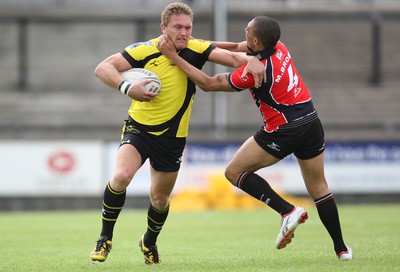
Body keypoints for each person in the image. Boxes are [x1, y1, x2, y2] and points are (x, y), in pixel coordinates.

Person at [157, 15, 352, 260]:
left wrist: (173, 56)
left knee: (234, 172)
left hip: (283, 129)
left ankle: (287, 211)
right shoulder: (279, 47)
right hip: (311, 121)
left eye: (247, 30)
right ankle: (341, 249)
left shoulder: (253, 72)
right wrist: (198, 44)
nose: (244, 31)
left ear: (256, 40)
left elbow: (207, 83)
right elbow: (238, 47)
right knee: (319, 187)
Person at [90, 2, 265, 265]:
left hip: (172, 137)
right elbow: (103, 68)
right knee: (122, 175)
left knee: (160, 199)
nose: (183, 32)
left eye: (188, 28)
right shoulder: (145, 49)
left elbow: (232, 58)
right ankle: (105, 238)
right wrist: (128, 87)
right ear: (164, 28)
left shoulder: (196, 48)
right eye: (177, 27)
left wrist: (249, 59)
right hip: (138, 128)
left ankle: (148, 241)